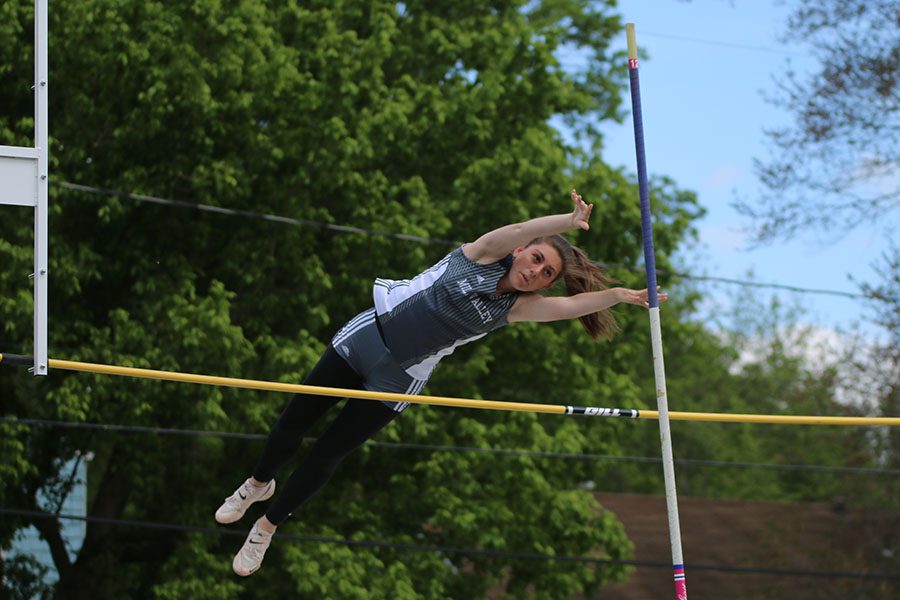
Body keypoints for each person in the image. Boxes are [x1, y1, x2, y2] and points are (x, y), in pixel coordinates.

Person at [215, 189, 668, 576]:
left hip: (400, 376)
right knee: (294, 419)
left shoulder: (515, 308)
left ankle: (265, 529)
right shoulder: (484, 252)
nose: (535, 271)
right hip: (368, 337)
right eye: (535, 258)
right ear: (521, 251)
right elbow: (520, 226)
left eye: (546, 273)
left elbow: (569, 309)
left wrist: (618, 296)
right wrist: (568, 222)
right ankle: (258, 483)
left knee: (329, 453)